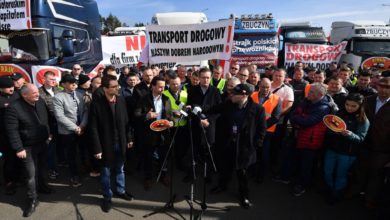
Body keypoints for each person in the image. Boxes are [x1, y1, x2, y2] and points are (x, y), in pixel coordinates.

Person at [208, 83, 266, 209]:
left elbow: (262, 130)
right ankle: (222, 185)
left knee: (242, 172)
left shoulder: (258, 109)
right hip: (228, 143)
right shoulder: (228, 105)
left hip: (245, 147)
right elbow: (212, 109)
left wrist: (255, 146)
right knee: (225, 167)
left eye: (234, 94)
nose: (231, 95)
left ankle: (244, 195)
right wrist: (197, 108)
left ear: (244, 95)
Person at [5, 84, 52, 217]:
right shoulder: (14, 108)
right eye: (34, 93)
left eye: (37, 92)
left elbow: (46, 119)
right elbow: (11, 130)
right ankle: (32, 199)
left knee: (42, 168)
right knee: (30, 174)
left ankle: (42, 186)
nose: (38, 94)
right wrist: (18, 148)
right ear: (25, 95)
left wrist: (49, 133)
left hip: (42, 143)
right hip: (27, 147)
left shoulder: (40, 102)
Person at [89, 75, 134, 212]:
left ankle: (120, 190)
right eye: (114, 87)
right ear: (105, 89)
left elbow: (126, 122)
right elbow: (93, 128)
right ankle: (107, 197)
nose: (117, 88)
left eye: (117, 86)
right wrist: (97, 149)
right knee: (106, 172)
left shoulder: (120, 100)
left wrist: (129, 138)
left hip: (121, 142)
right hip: (105, 145)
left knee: (120, 168)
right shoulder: (97, 104)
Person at [323, 93, 369, 204]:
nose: (349, 108)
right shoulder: (339, 113)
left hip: (347, 153)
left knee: (341, 175)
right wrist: (330, 130)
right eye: (347, 104)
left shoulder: (363, 120)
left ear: (360, 106)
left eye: (353, 106)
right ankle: (329, 188)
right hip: (332, 149)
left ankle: (336, 194)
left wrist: (350, 135)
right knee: (327, 171)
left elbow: (360, 138)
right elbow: (330, 128)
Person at [289, 83, 332, 196]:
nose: (309, 93)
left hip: (312, 141)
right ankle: (299, 181)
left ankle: (303, 185)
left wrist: (298, 118)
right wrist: (299, 117)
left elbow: (307, 122)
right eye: (310, 90)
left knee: (307, 164)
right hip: (302, 137)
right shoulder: (307, 101)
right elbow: (293, 114)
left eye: (312, 92)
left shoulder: (324, 107)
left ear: (320, 95)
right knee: (300, 161)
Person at [133, 76, 173, 190]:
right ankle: (148, 178)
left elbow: (169, 116)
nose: (162, 89)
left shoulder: (166, 99)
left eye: (164, 87)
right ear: (153, 86)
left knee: (163, 156)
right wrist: (147, 115)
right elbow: (136, 115)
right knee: (148, 157)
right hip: (149, 134)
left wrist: (170, 122)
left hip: (163, 133)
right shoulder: (144, 99)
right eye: (160, 87)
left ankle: (163, 175)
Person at [186, 67, 222, 181]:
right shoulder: (192, 90)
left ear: (210, 78)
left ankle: (209, 175)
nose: (205, 80)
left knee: (209, 150)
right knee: (194, 150)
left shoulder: (215, 91)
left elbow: (218, 110)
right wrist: (198, 120)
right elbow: (190, 108)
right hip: (196, 125)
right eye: (203, 77)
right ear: (199, 78)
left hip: (209, 126)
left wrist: (208, 121)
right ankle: (192, 174)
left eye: (207, 77)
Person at [53, 74, 88, 187]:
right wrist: (75, 128)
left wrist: (82, 126)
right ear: (63, 84)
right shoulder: (58, 97)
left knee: (83, 150)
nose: (74, 84)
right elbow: (60, 116)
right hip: (67, 131)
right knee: (71, 154)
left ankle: (85, 170)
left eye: (74, 82)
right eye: (70, 82)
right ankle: (74, 175)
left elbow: (85, 112)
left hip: (81, 128)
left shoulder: (80, 94)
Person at [361, 77, 390, 208]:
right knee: (361, 169)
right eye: (381, 86)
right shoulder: (368, 100)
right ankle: (357, 190)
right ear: (376, 86)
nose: (383, 89)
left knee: (376, 174)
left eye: (388, 87)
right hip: (365, 143)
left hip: (384, 149)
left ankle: (369, 198)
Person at [251, 78, 282, 183]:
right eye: (263, 87)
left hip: (267, 132)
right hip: (252, 130)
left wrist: (261, 127)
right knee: (253, 152)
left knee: (264, 155)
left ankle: (261, 175)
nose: (265, 89)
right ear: (259, 86)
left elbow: (275, 117)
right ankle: (252, 172)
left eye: (268, 87)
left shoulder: (277, 99)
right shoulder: (252, 96)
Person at [38, 71, 61, 180]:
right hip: (48, 123)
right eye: (51, 79)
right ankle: (52, 169)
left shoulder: (58, 90)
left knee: (61, 147)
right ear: (44, 80)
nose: (54, 81)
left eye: (54, 79)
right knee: (50, 148)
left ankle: (61, 163)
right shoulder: (39, 93)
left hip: (61, 122)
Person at [163, 75, 189, 170]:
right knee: (168, 147)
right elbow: (162, 109)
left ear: (180, 84)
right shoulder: (164, 94)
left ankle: (179, 163)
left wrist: (182, 112)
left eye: (177, 84)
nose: (175, 86)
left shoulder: (185, 94)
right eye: (173, 84)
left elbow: (187, 109)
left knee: (181, 147)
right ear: (169, 84)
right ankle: (166, 165)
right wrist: (172, 113)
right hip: (169, 125)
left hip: (182, 125)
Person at [0, 76, 21, 195]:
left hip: (18, 132)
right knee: (8, 160)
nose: (11, 89)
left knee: (19, 158)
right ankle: (9, 182)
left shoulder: (17, 95)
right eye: (8, 87)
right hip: (4, 135)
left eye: (12, 86)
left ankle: (18, 178)